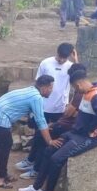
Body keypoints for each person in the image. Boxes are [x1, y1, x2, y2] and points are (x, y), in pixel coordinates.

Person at [18, 73, 97, 191]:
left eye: (75, 88)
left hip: (87, 138)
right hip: (75, 133)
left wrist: (93, 129)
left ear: (78, 85)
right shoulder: (88, 91)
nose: (76, 91)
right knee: (49, 150)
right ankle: (36, 188)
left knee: (57, 159)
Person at [0, 76, 59, 188]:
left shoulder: (31, 90)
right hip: (0, 118)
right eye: (50, 88)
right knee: (2, 147)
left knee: (0, 146)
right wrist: (49, 141)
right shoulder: (36, 97)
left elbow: (35, 120)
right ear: (44, 87)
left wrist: (45, 127)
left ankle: (0, 175)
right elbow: (40, 120)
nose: (51, 91)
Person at [18, 62, 87, 178]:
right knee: (41, 135)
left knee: (44, 138)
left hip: (67, 126)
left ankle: (35, 169)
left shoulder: (80, 93)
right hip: (63, 122)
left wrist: (71, 110)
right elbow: (70, 111)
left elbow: (69, 112)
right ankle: (33, 163)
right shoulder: (79, 90)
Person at [15, 43, 77, 174]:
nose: (61, 60)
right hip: (42, 106)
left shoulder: (71, 67)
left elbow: (80, 75)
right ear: (57, 53)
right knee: (39, 136)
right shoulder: (46, 63)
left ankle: (37, 167)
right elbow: (38, 83)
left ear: (70, 55)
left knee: (51, 138)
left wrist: (75, 59)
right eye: (60, 57)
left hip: (59, 109)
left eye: (64, 58)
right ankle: (31, 161)